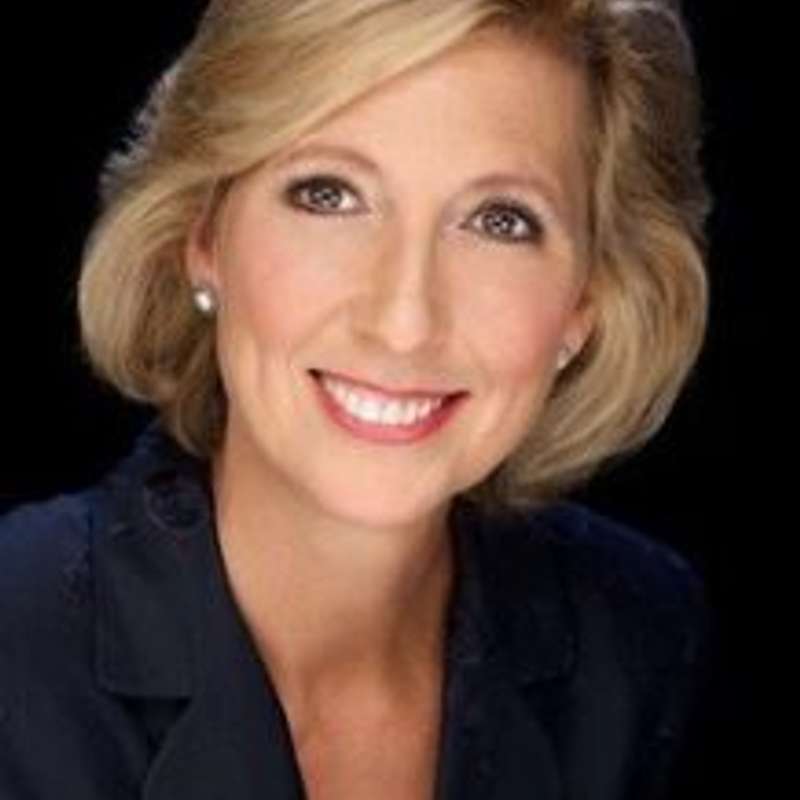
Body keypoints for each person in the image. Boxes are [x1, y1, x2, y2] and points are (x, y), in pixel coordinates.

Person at [0, 1, 714, 797]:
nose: (403, 324)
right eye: (329, 195)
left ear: (585, 303)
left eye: (499, 221)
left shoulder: (637, 643)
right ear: (203, 237)